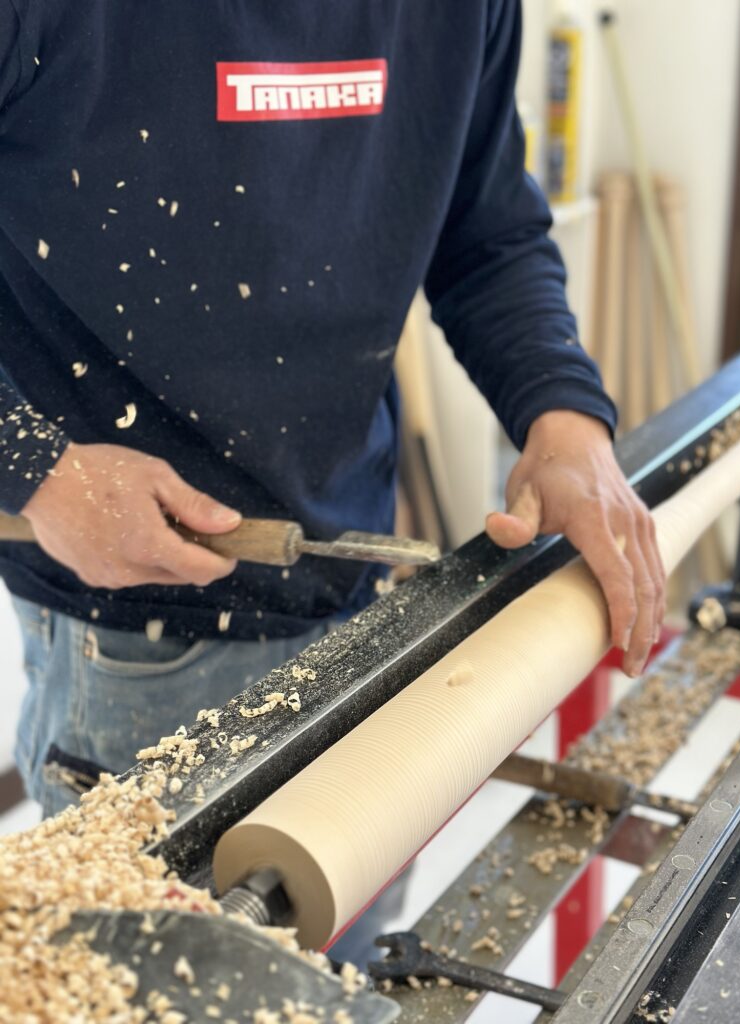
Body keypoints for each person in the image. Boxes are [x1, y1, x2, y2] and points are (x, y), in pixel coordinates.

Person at [0, 0, 664, 821]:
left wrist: (565, 418)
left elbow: (487, 235)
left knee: (348, 886)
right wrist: (36, 469)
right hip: (136, 633)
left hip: (363, 587)